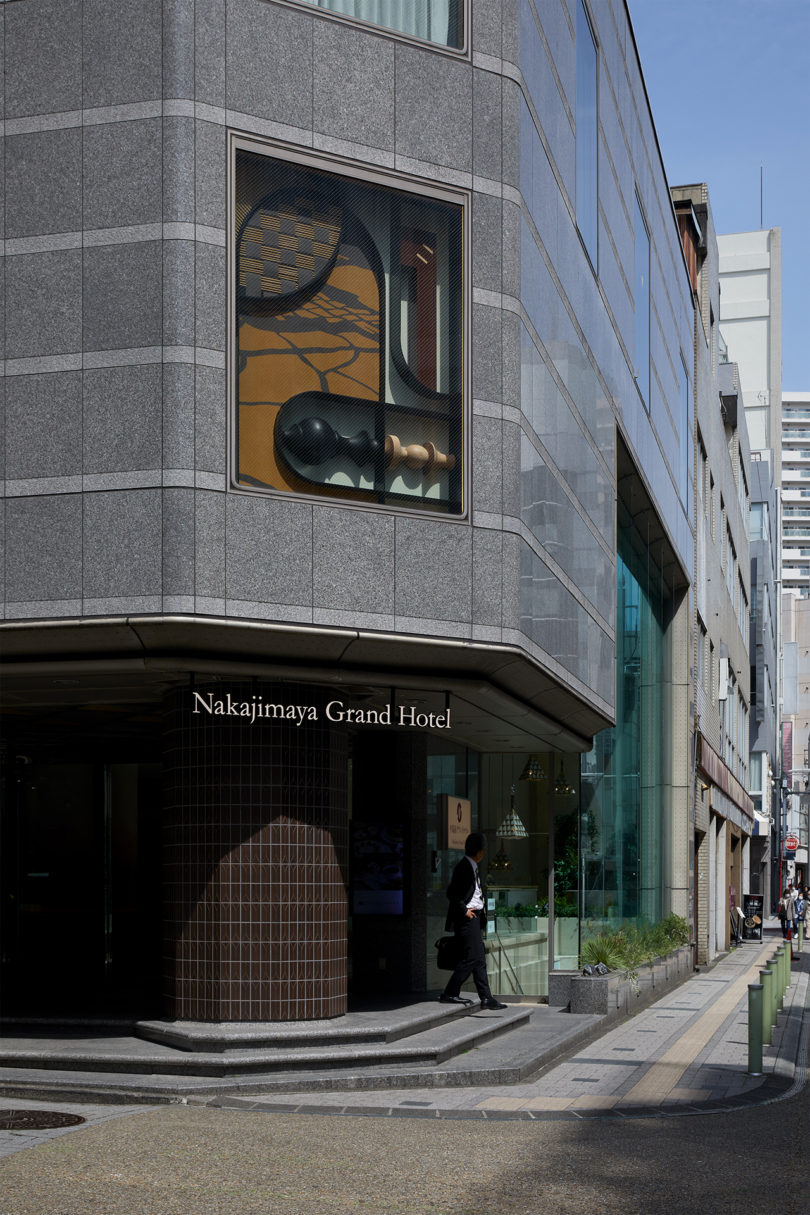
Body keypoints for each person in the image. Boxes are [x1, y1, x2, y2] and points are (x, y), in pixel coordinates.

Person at [439, 832, 507, 1010]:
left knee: (479, 959)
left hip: (474, 919)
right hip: (468, 920)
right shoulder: (464, 867)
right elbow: (452, 893)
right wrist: (464, 911)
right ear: (481, 851)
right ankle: (450, 992)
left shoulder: (471, 866)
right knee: (471, 958)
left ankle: (486, 998)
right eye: (484, 849)